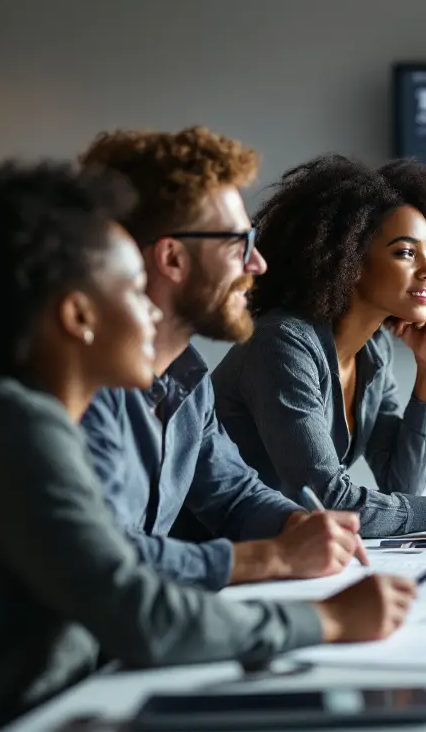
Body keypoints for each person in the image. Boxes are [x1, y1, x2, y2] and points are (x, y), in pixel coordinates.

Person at [0, 141, 416, 732]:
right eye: (132, 291)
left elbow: (213, 505)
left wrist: (295, 538)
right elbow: (136, 605)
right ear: (79, 316)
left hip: (48, 718)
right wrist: (328, 621)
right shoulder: (18, 429)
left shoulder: (37, 415)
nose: (150, 315)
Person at [78, 128, 367, 591]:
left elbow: (232, 494)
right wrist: (273, 556)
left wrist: (296, 524)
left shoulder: (188, 377)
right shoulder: (80, 391)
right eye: (239, 244)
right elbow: (109, 562)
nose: (258, 265)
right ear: (172, 258)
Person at [212, 154, 426, 538]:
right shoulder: (283, 344)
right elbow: (327, 500)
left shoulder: (373, 352)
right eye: (406, 252)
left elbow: (402, 485)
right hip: (219, 557)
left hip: (282, 555)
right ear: (350, 261)